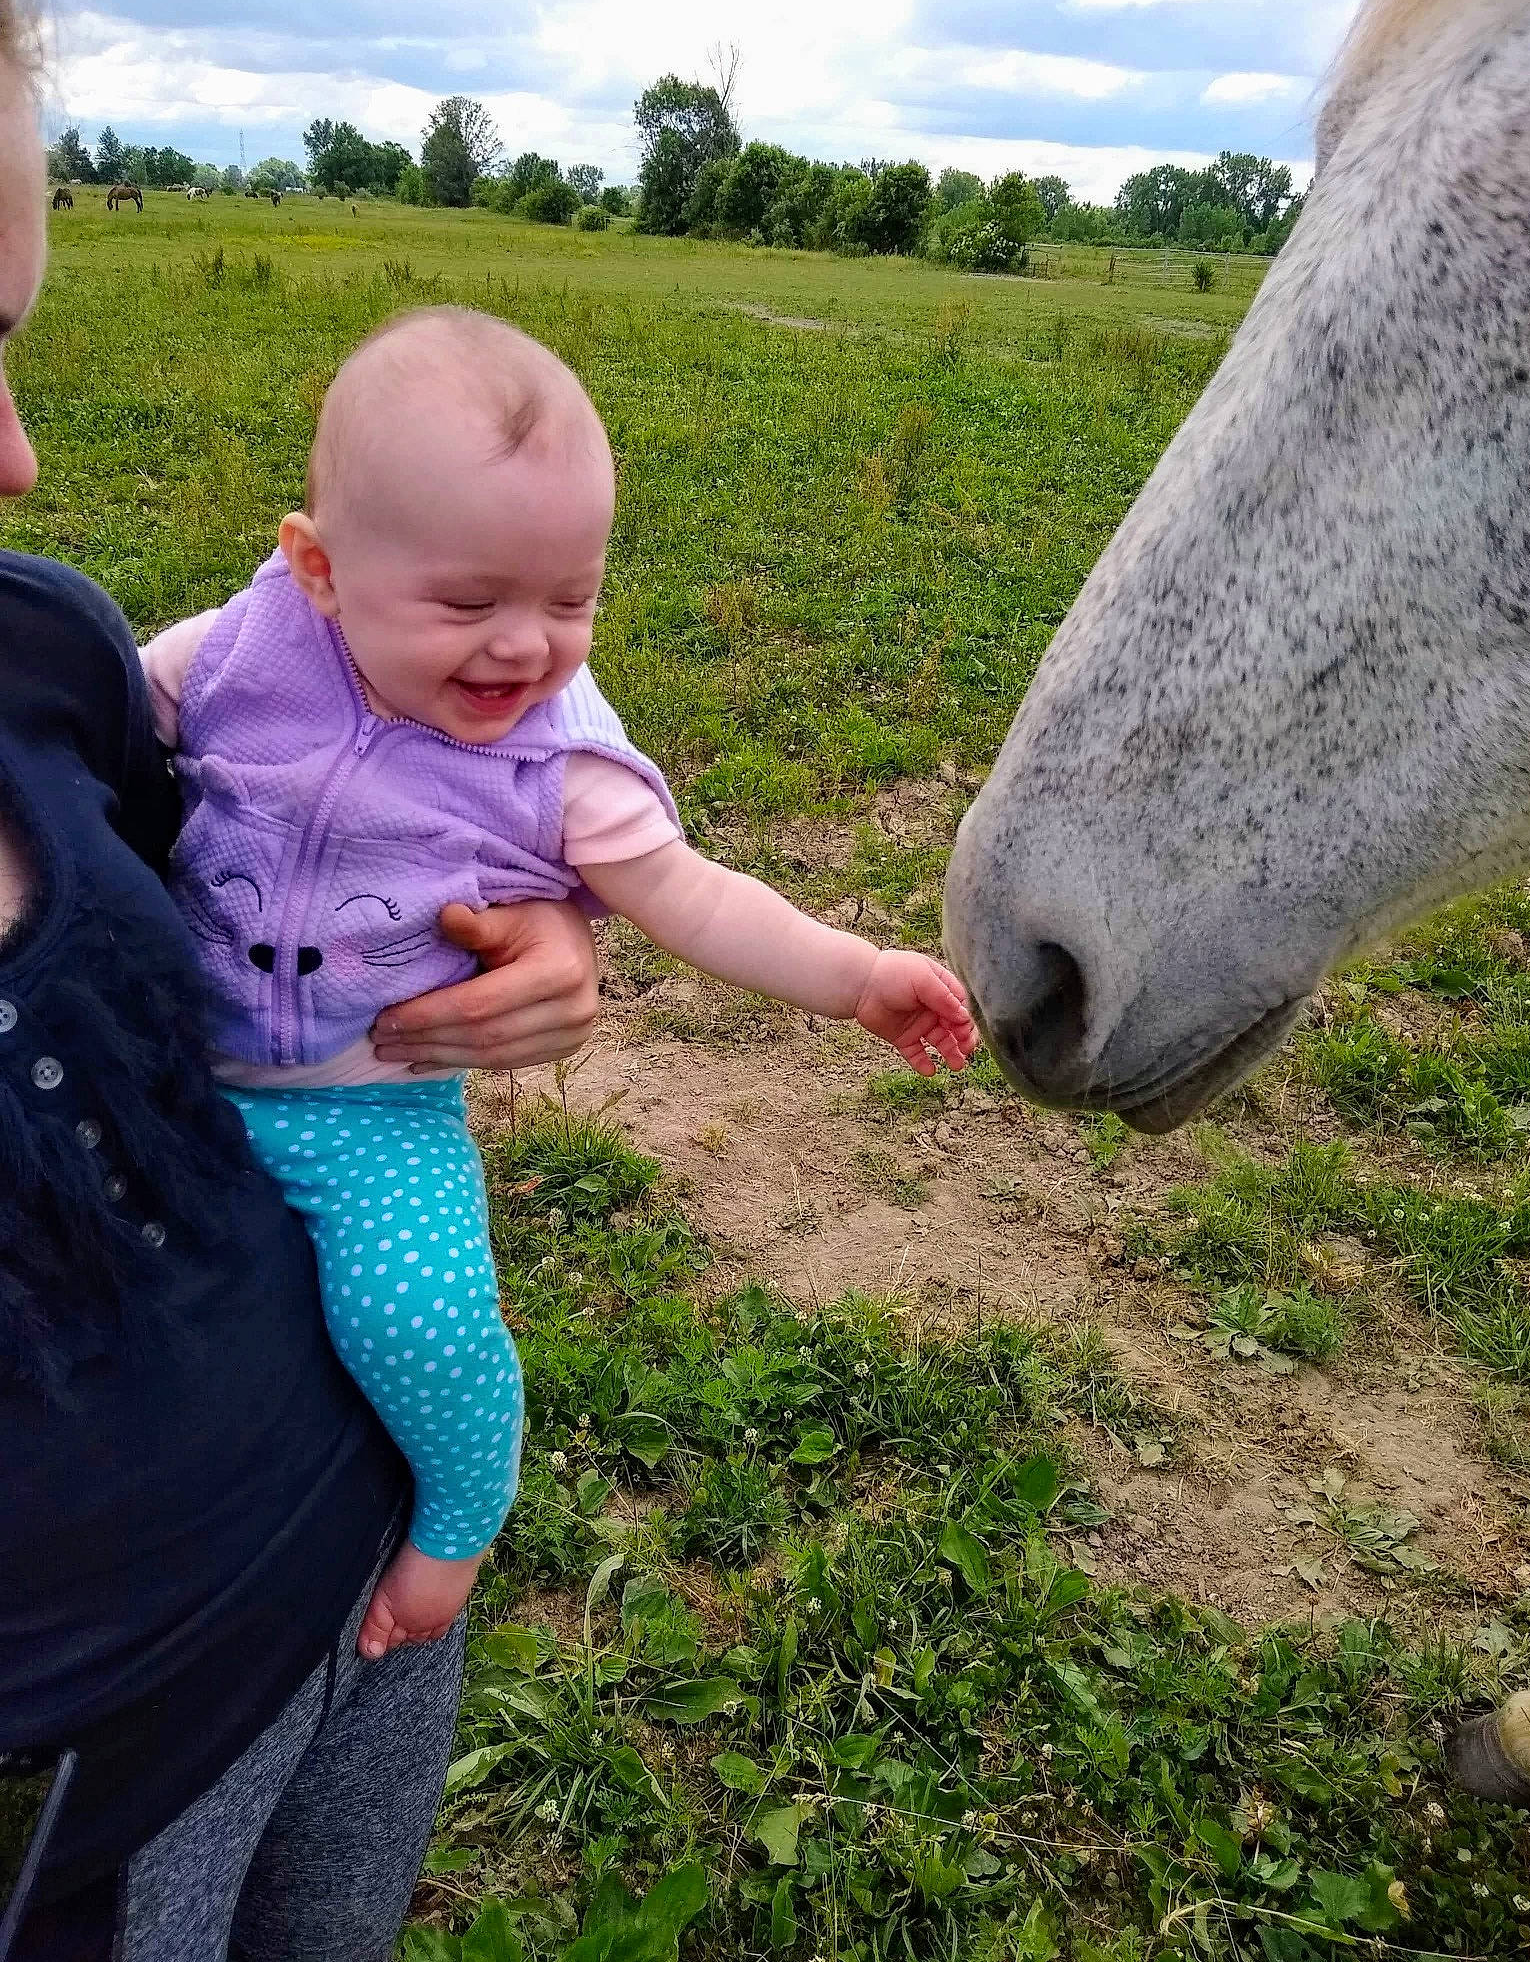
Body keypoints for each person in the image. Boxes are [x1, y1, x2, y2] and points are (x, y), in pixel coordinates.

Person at [0, 0, 605, 1962]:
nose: (19, 461)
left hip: (352, 1563)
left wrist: (542, 928)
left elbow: (306, 853)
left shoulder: (55, 656)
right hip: (88, 1781)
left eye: (11, 345)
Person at [140, 304, 981, 1664]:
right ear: (319, 569)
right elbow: (92, 728)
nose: (525, 647)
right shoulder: (239, 651)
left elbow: (696, 895)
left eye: (570, 600)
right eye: (469, 603)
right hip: (166, 1070)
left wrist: (858, 976)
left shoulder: (556, 760)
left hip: (370, 1109)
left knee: (413, 1313)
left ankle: (460, 1515)